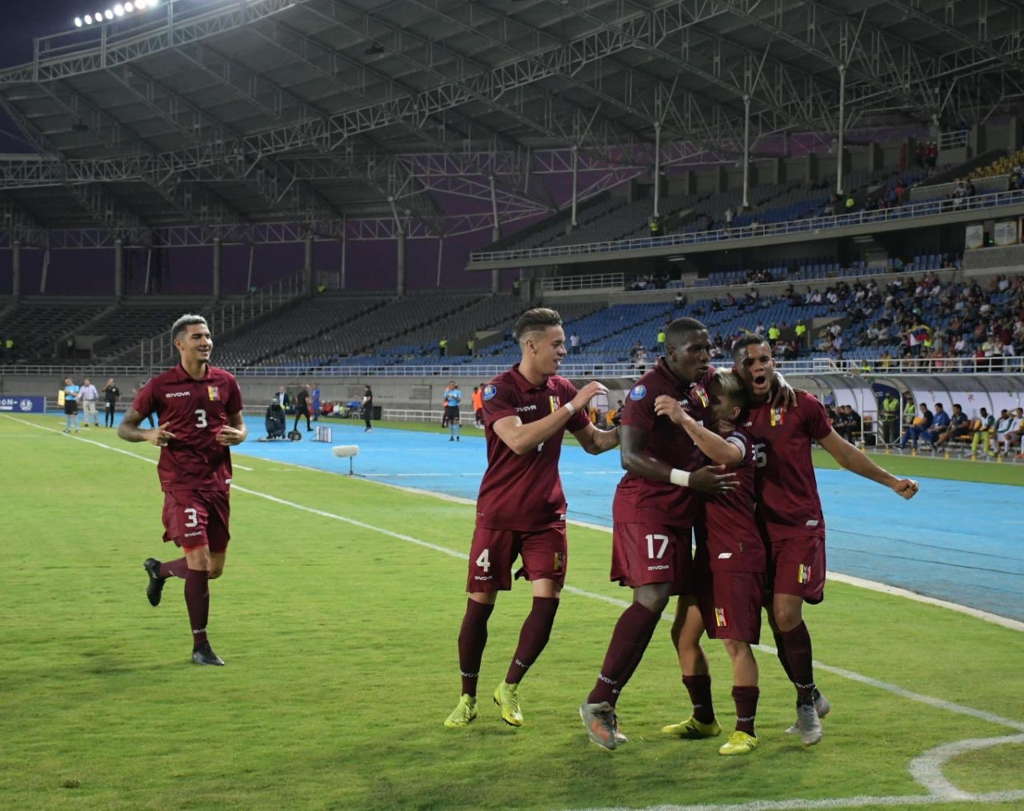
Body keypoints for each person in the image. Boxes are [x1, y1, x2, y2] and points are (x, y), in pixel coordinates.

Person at [730, 335, 918, 745]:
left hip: (800, 525)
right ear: (737, 369)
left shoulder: (801, 405)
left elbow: (844, 453)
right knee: (776, 622)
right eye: (751, 362)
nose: (760, 367)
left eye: (765, 359)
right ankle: (811, 695)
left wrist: (891, 481)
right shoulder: (730, 410)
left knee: (785, 614)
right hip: (754, 530)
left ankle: (804, 705)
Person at [444, 308, 619, 730]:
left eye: (563, 343)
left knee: (548, 601)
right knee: (480, 608)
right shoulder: (497, 390)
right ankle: (467, 696)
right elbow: (519, 441)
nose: (564, 351)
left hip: (547, 515)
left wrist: (631, 428)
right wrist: (574, 404)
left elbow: (594, 443)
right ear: (531, 345)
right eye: (557, 344)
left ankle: (510, 686)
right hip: (499, 515)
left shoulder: (561, 389)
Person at [578, 317, 746, 750]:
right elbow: (629, 458)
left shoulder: (706, 382)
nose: (705, 356)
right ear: (671, 353)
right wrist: (691, 481)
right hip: (647, 507)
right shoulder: (646, 392)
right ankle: (600, 700)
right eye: (695, 349)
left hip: (688, 509)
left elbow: (739, 398)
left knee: (687, 622)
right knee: (651, 597)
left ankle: (705, 718)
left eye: (708, 348)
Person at [118, 314, 247, 666]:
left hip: (218, 481)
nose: (205, 341)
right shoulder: (160, 386)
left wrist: (240, 435)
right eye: (197, 337)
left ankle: (158, 571)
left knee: (214, 568)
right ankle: (200, 646)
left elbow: (239, 425)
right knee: (200, 562)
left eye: (207, 336)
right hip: (181, 483)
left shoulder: (226, 381)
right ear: (179, 343)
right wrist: (149, 434)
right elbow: (125, 427)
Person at [654, 370, 765, 756]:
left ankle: (746, 729)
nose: (706, 404)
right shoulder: (703, 439)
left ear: (733, 409)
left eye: (714, 400)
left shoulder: (739, 440)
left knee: (735, 642)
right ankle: (704, 718)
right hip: (708, 554)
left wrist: (683, 418)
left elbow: (727, 455)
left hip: (737, 552)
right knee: (683, 636)